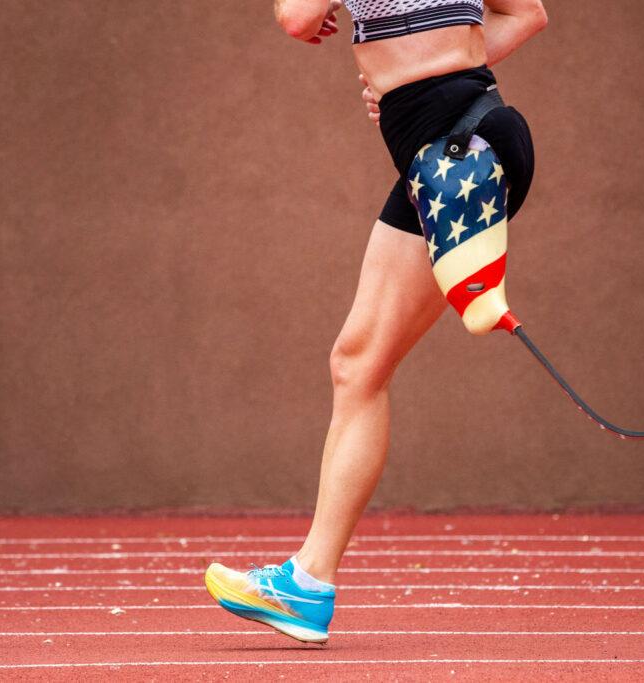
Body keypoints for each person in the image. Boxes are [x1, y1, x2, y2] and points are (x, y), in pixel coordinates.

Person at [204, 0, 548, 644]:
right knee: (356, 362)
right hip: (457, 138)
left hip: (460, 151)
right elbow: (527, 15)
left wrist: (421, 80)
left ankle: (307, 586)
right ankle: (305, 586)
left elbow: (296, 19)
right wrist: (419, 78)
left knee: (362, 366)